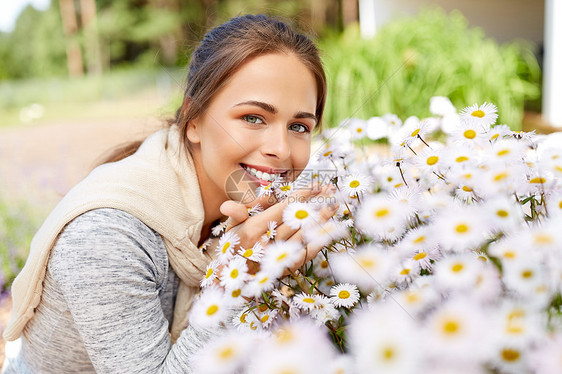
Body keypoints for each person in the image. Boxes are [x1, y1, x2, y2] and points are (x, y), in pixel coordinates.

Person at [1, 14, 336, 373]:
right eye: (253, 118)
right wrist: (236, 283)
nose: (281, 149)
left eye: (299, 126)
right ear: (193, 121)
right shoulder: (108, 236)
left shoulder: (257, 210)